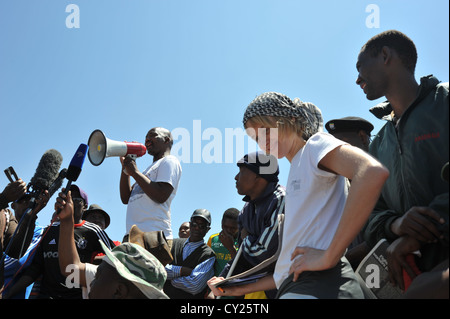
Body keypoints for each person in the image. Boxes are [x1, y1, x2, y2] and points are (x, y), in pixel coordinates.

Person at [208, 92, 389, 299]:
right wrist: (237, 288)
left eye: (266, 131)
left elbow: (371, 172)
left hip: (319, 285)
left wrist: (330, 255)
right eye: (256, 138)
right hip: (295, 287)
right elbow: (287, 269)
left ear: (290, 120)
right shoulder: (297, 167)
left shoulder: (314, 146)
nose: (263, 142)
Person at [356, 30, 449, 292]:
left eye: (360, 67)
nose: (357, 79)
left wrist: (422, 232)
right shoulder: (378, 144)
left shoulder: (445, 101)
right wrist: (395, 225)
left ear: (385, 56)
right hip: (412, 272)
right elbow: (371, 213)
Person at [3, 184, 115, 299]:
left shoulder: (93, 231)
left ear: (85, 206)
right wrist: (9, 292)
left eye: (76, 199)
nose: (70, 202)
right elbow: (36, 268)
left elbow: (115, 260)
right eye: (67, 198)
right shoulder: (49, 230)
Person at [55, 189, 168, 299]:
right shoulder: (111, 274)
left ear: (119, 291)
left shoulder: (110, 272)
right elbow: (71, 267)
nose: (90, 282)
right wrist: (66, 220)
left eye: (97, 276)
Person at [325, 116, 375, 269]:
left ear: (362, 137)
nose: (336, 154)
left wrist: (338, 259)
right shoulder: (339, 188)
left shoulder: (386, 175)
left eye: (342, 145)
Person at [120, 127, 182, 248]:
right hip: (134, 238)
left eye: (152, 135)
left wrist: (135, 173)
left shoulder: (169, 161)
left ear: (166, 140)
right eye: (146, 137)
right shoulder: (147, 171)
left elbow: (160, 195)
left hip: (154, 238)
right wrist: (125, 169)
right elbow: (126, 198)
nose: (147, 139)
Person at [164, 209, 215, 299]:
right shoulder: (173, 244)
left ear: (207, 230)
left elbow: (194, 286)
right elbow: (157, 269)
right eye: (194, 224)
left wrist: (170, 278)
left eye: (202, 226)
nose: (197, 228)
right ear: (190, 224)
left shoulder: (208, 254)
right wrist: (182, 270)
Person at [207, 208, 239, 277]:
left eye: (233, 228)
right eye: (225, 227)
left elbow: (240, 266)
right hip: (215, 283)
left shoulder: (243, 240)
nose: (228, 231)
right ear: (221, 223)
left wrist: (231, 248)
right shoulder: (213, 239)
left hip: (234, 283)